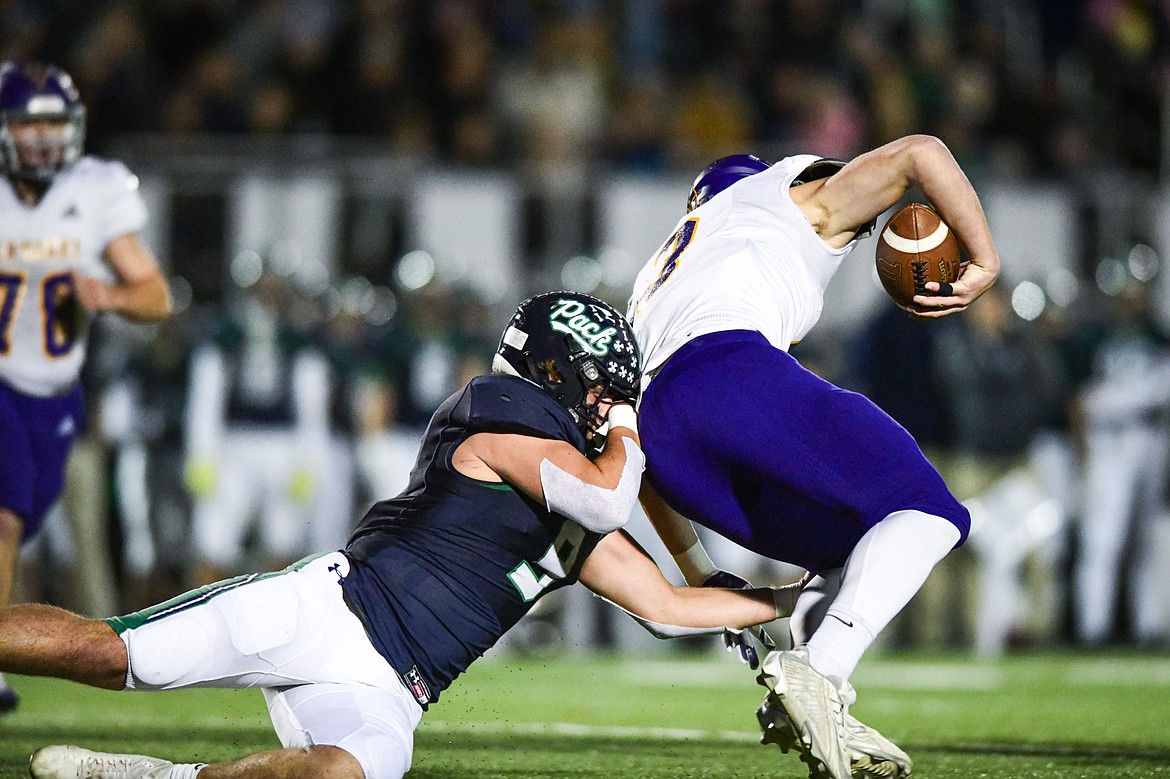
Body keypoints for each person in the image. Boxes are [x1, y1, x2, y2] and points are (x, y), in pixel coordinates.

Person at [4, 292, 801, 779]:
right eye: (603, 390)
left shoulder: (574, 503)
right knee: (106, 653)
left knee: (345, 772)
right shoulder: (498, 407)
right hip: (328, 610)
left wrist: (791, 602)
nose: (608, 407)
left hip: (390, 687)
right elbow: (602, 494)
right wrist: (629, 424)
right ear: (561, 373)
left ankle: (152, 774)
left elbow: (665, 604)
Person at [627, 136, 1000, 779]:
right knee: (931, 511)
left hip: (663, 445)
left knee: (853, 553)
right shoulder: (783, 203)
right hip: (728, 371)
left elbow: (628, 431)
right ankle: (820, 672)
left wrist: (697, 566)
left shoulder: (657, 280)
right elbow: (922, 155)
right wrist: (985, 261)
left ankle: (816, 698)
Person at [0, 61, 172, 712]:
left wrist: (108, 291)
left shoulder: (96, 191)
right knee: (5, 517)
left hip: (57, 393)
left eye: (51, 124)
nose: (41, 139)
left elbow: (155, 296)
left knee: (26, 514)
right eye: (27, 123)